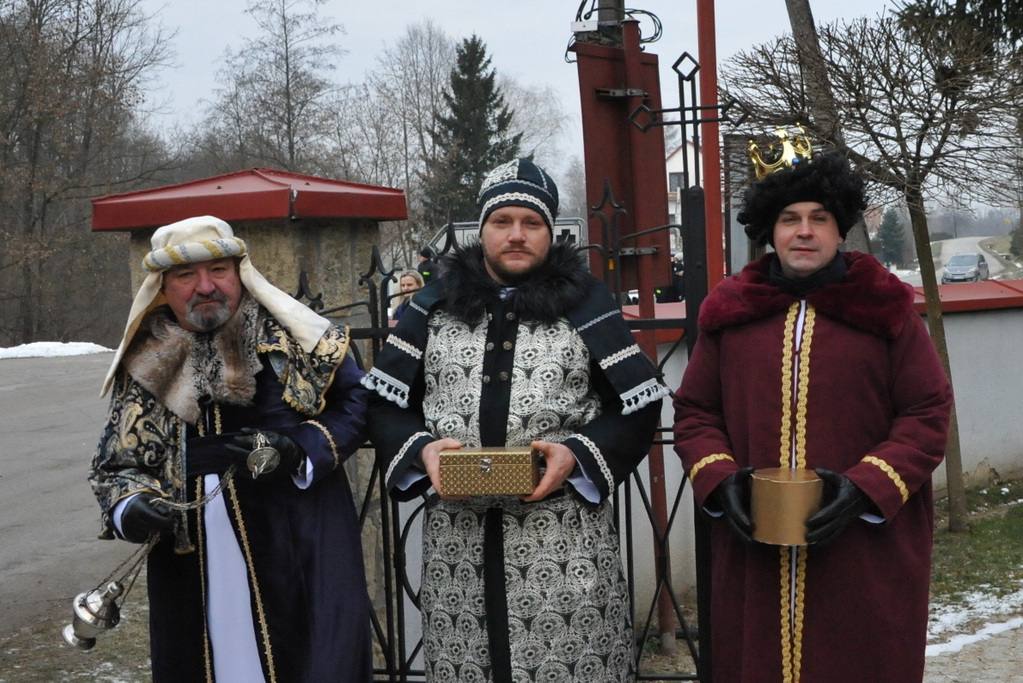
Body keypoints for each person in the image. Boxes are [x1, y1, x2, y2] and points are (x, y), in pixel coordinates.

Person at [364, 158, 668, 683]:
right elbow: (385, 403)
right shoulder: (433, 307)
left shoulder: (587, 305)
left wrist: (576, 454)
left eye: (532, 223)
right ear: (481, 230)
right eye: (502, 221)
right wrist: (422, 449)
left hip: (568, 543)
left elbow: (638, 405)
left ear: (551, 232)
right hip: (458, 548)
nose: (517, 235)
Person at [672, 153, 953, 683]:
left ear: (839, 230)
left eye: (818, 218)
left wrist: (864, 488)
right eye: (790, 218)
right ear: (769, 231)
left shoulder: (885, 309)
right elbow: (695, 411)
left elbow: (927, 411)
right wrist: (720, 479)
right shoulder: (730, 313)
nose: (804, 231)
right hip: (754, 547)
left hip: (864, 550)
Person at [88, 216, 373, 682]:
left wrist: (298, 448)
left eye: (218, 270)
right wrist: (130, 506)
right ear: (163, 287)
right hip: (188, 559)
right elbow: (117, 462)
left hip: (299, 540)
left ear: (239, 272)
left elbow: (359, 404)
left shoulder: (295, 336)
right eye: (186, 275)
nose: (206, 286)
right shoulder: (145, 359)